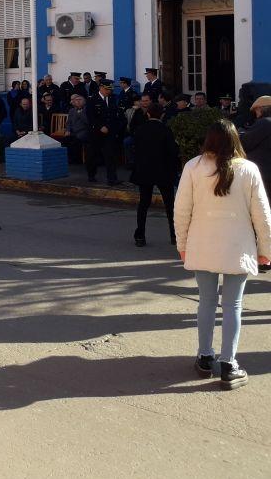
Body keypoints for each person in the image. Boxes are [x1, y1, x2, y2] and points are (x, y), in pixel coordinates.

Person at [174, 120, 271, 390]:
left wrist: (182, 243)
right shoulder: (248, 169)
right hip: (237, 247)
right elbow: (262, 216)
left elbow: (181, 209)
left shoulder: (193, 167)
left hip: (202, 245)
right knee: (233, 305)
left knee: (206, 302)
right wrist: (266, 250)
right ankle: (229, 364)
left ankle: (205, 357)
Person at [131, 104, 180, 247]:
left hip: (145, 171)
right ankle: (174, 235)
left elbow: (134, 149)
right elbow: (173, 151)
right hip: (163, 172)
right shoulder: (166, 130)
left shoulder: (140, 129)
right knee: (170, 205)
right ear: (162, 115)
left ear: (148, 114)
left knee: (143, 203)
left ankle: (140, 235)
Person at [87, 80, 124, 186]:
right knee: (93, 154)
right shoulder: (92, 99)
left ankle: (112, 178)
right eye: (107, 89)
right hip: (96, 132)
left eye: (110, 89)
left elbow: (113, 115)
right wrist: (100, 127)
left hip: (109, 132)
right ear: (101, 88)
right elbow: (90, 116)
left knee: (110, 155)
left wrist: (112, 128)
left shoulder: (112, 99)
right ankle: (91, 175)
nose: (109, 91)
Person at [240, 96, 271, 194]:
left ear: (262, 109)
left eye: (256, 110)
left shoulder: (264, 123)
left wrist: (240, 135)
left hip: (264, 174)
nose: (256, 113)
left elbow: (245, 143)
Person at [59, 94, 90, 164]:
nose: (78, 102)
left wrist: (80, 113)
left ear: (84, 101)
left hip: (83, 131)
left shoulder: (87, 110)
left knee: (76, 140)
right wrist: (67, 130)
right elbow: (68, 123)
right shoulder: (72, 110)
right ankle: (66, 158)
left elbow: (88, 122)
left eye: (80, 100)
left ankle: (76, 160)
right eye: (76, 100)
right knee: (65, 140)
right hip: (73, 131)